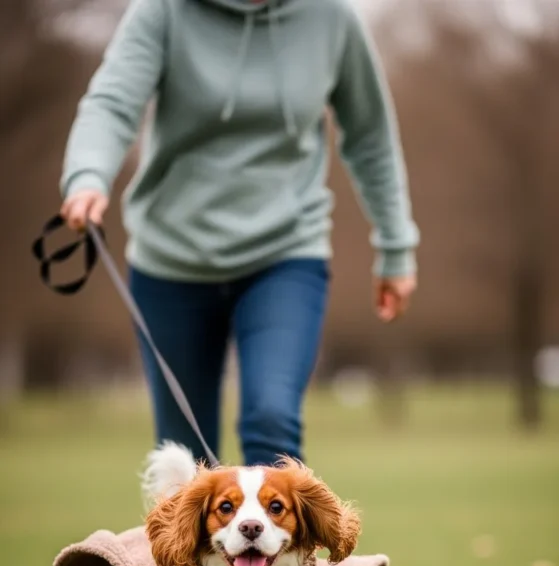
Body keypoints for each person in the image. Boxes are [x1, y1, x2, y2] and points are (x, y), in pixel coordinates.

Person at [61, 0, 419, 467]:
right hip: (172, 259)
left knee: (273, 421)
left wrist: (396, 247)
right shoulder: (164, 12)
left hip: (286, 252)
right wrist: (88, 174)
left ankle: (282, 543)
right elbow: (112, 103)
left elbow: (371, 137)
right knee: (182, 455)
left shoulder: (332, 18)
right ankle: (186, 543)